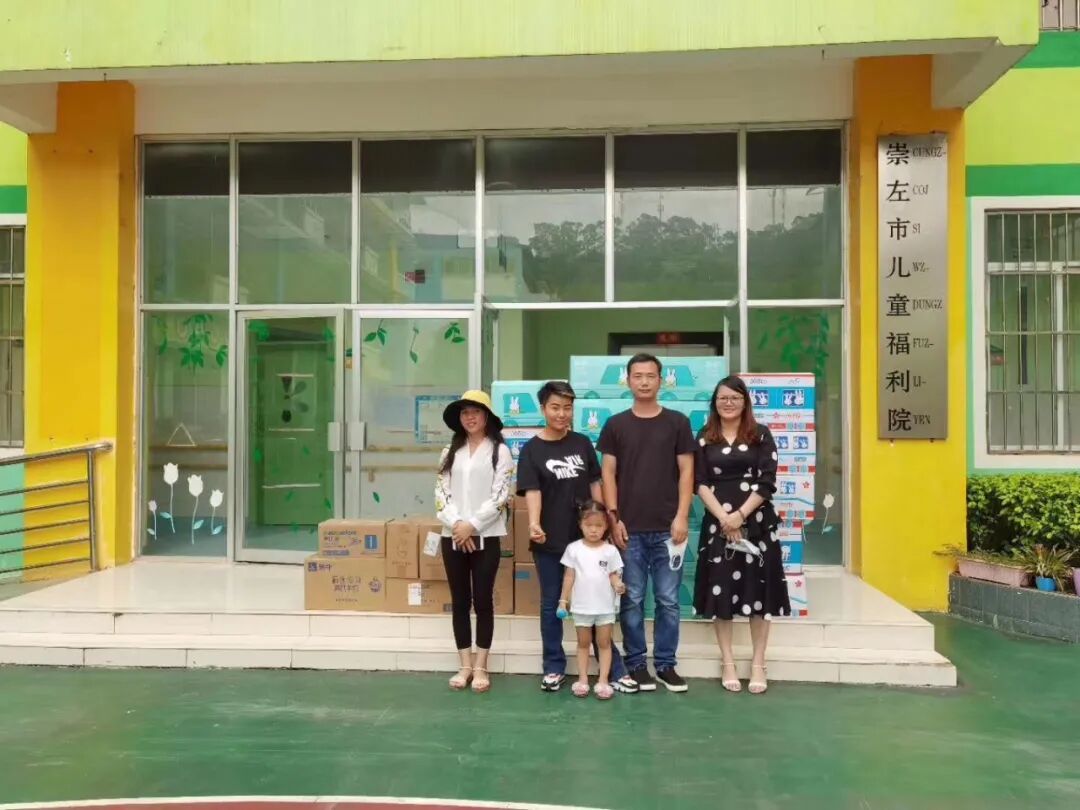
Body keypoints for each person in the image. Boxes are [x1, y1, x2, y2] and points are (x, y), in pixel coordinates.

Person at [516, 381, 639, 694]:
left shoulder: (582, 443)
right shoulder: (531, 450)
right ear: (543, 408)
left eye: (567, 408)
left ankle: (613, 670)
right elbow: (533, 491)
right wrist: (534, 523)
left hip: (590, 541)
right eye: (555, 407)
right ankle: (554, 667)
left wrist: (606, 526)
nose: (562, 414)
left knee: (599, 604)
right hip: (550, 540)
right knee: (552, 604)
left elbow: (596, 485)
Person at [599, 354, 697, 693]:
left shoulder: (677, 423)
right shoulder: (615, 424)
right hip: (629, 529)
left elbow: (687, 471)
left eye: (650, 375)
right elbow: (607, 473)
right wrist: (613, 519)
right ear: (627, 380)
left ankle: (666, 665)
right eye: (637, 375)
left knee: (668, 600)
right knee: (633, 599)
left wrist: (681, 516)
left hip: (670, 530)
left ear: (661, 380)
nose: (644, 381)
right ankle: (637, 665)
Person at [693, 374, 790, 695]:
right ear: (714, 402)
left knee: (759, 592)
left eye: (735, 398)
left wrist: (740, 516)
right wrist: (725, 518)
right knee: (721, 590)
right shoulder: (705, 436)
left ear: (745, 402)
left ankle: (759, 663)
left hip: (757, 523)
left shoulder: (760, 434)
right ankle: (728, 662)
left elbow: (767, 481)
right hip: (718, 525)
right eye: (723, 398)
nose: (729, 403)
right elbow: (699, 482)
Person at [435, 390, 514, 694]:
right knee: (459, 601)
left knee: (482, 600)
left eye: (476, 412)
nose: (470, 417)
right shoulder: (449, 451)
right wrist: (458, 525)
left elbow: (500, 496)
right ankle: (464, 665)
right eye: (465, 412)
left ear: (487, 417)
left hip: (486, 535)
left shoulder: (500, 451)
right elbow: (441, 493)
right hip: (452, 534)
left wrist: (473, 526)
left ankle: (481, 665)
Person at [558, 500, 627, 700]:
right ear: (580, 525)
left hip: (605, 607)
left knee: (604, 643)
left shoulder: (610, 551)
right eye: (589, 525)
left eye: (599, 525)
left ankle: (603, 680)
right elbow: (569, 577)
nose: (594, 530)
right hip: (581, 607)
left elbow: (613, 575)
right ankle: (582, 680)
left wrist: (618, 585)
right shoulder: (573, 549)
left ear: (606, 526)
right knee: (583, 643)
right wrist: (563, 601)